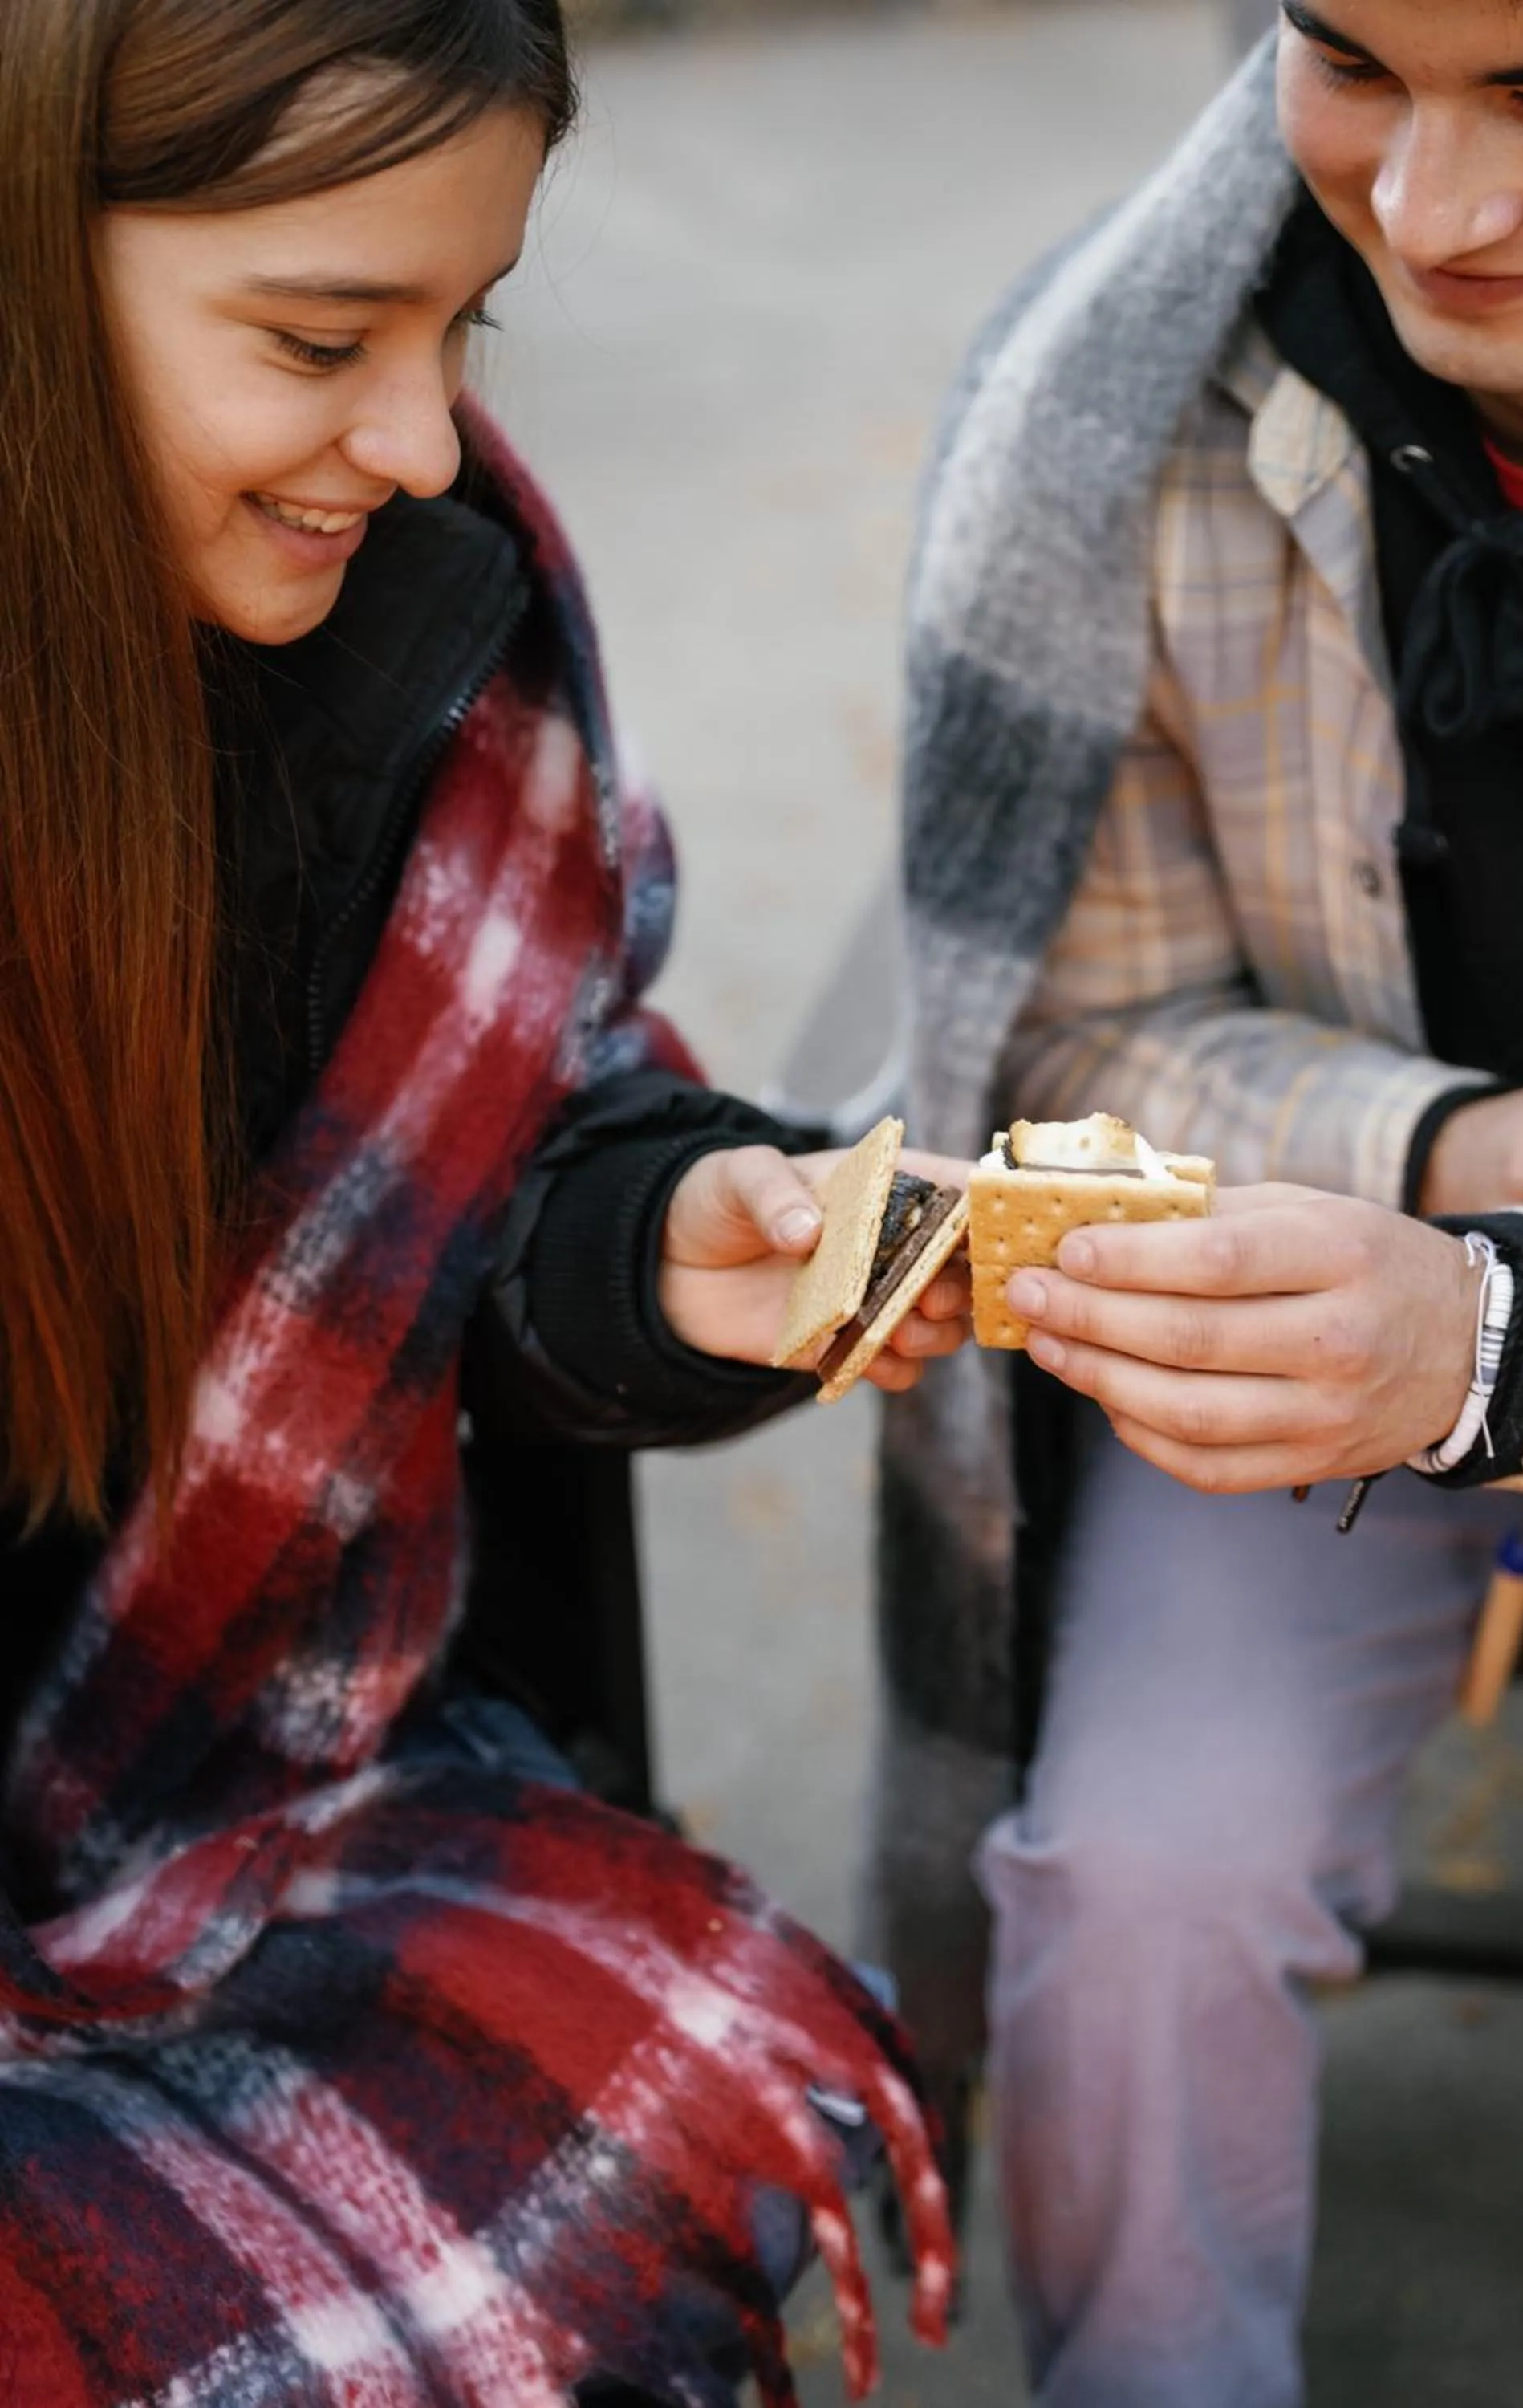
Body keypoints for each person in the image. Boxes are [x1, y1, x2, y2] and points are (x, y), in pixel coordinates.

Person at [0, 3, 963, 2401]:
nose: (427, 441)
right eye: (325, 335)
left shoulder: (434, 607)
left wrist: (664, 1253)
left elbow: (518, 1119)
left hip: (243, 1792)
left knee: (617, 2141)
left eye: (467, 324)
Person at [875, 1, 1523, 2402]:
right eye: (1356, 62)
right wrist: (1440, 1158)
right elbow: (1055, 1036)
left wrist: (1514, 1333)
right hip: (1367, 1322)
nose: (1431, 211)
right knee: (1142, 1889)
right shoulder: (1119, 406)